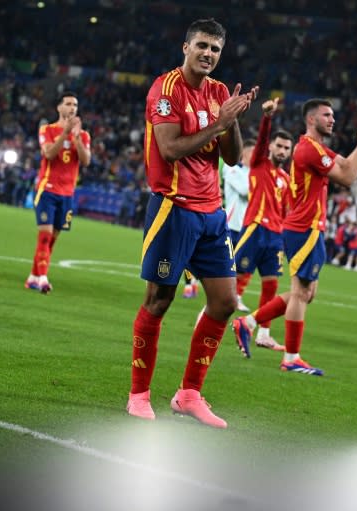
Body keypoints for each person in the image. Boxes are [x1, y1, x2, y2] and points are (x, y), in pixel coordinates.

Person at [126, 18, 258, 428]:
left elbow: (233, 158)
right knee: (159, 301)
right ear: (185, 47)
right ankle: (139, 394)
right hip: (173, 208)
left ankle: (188, 394)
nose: (208, 54)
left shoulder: (219, 92)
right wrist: (218, 123)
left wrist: (232, 119)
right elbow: (168, 150)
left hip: (212, 213)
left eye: (215, 49)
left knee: (225, 302)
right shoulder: (165, 91)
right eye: (202, 46)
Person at [232, 98, 357, 374]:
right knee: (301, 292)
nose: (332, 119)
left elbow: (348, 164)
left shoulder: (316, 149)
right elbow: (348, 177)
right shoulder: (308, 150)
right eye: (327, 115)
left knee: (306, 293)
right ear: (312, 119)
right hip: (304, 228)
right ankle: (291, 358)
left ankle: (249, 323)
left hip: (306, 227)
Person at [232, 97, 292, 351]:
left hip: (275, 236)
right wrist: (267, 118)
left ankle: (263, 333)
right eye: (279, 146)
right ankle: (209, 316)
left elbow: (287, 211)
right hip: (255, 228)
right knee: (234, 279)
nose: (282, 151)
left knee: (272, 284)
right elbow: (262, 141)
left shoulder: (286, 179)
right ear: (271, 148)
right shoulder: (259, 163)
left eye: (287, 148)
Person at [24, 91, 91, 294]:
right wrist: (65, 133)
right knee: (44, 237)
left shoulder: (84, 134)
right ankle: (43, 279)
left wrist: (77, 137)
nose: (72, 108)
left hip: (67, 194)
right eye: (68, 104)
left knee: (51, 240)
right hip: (47, 190)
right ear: (59, 108)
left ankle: (33, 277)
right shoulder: (47, 129)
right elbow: (49, 153)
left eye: (75, 105)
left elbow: (86, 161)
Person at [223, 139, 254, 312]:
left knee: (244, 264)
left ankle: (236, 297)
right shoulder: (232, 169)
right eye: (252, 152)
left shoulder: (253, 173)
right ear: (245, 153)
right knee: (226, 264)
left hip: (246, 226)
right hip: (232, 224)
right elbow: (245, 191)